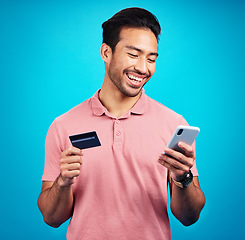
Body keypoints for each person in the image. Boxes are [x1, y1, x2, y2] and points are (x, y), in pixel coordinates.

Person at [38, 7, 205, 240]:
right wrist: (63, 182)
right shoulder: (63, 125)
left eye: (151, 58)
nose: (143, 68)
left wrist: (183, 179)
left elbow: (190, 217)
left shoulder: (174, 125)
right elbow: (51, 218)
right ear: (106, 52)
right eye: (133, 54)